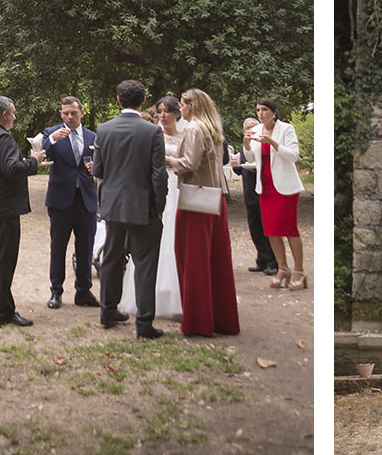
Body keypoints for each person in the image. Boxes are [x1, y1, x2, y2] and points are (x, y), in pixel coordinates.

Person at [93, 79, 168, 340]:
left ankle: (107, 311)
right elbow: (159, 175)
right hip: (143, 206)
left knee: (111, 259)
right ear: (144, 101)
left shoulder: (103, 129)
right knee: (145, 263)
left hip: (113, 205)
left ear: (117, 99)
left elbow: (99, 170)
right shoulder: (152, 132)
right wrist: (160, 206)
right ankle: (144, 324)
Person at [170, 89, 241, 336]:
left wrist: (166, 160)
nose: (180, 109)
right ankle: (223, 319)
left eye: (182, 104)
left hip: (196, 200)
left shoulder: (193, 128)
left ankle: (198, 322)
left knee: (192, 258)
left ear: (193, 105)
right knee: (216, 260)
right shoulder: (212, 129)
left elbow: (189, 163)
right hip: (215, 199)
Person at [0, 96, 46, 327]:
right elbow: (11, 168)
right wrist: (34, 161)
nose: (15, 117)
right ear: (4, 115)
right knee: (3, 261)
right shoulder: (2, 138)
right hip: (1, 207)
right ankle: (4, 312)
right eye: (13, 113)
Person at [118, 95, 183, 320]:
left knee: (175, 240)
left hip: (178, 190)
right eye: (160, 112)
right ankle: (148, 297)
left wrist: (175, 162)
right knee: (152, 244)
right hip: (156, 193)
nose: (163, 116)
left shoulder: (185, 136)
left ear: (177, 113)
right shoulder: (151, 135)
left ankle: (177, 295)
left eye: (167, 111)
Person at [42, 96, 99, 310]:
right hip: (60, 199)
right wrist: (53, 139)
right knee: (58, 247)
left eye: (73, 113)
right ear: (60, 114)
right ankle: (56, 292)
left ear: (81, 113)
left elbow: (103, 163)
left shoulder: (94, 136)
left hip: (85, 199)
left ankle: (83, 292)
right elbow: (42, 153)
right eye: (65, 113)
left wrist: (97, 167)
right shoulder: (51, 133)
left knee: (86, 247)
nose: (69, 117)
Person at [250, 97, 306, 290]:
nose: (260, 114)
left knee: (289, 229)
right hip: (265, 187)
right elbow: (251, 158)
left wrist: (273, 142)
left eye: (264, 110)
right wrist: (246, 142)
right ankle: (283, 269)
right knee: (271, 231)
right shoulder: (256, 130)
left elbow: (293, 156)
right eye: (258, 110)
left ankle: (299, 272)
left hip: (285, 187)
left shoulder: (286, 129)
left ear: (273, 112)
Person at [230, 116, 279, 274]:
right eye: (248, 128)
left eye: (254, 127)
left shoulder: (264, 145)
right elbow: (239, 169)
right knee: (255, 228)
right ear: (244, 131)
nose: (251, 130)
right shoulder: (243, 147)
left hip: (265, 191)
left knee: (267, 228)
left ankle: (273, 262)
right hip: (249, 192)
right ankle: (262, 260)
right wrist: (235, 165)